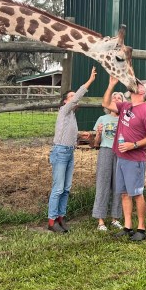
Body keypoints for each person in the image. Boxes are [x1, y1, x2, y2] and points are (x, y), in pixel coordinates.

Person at [102, 76, 146, 241]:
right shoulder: (125, 106)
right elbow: (105, 103)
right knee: (125, 193)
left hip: (135, 159)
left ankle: (141, 228)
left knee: (137, 194)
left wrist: (133, 145)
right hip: (121, 157)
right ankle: (127, 227)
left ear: (143, 91)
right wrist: (111, 84)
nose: (135, 84)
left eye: (138, 84)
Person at [47, 66, 97, 233]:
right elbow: (76, 98)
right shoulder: (64, 111)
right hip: (60, 152)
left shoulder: (71, 117)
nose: (74, 99)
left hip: (69, 152)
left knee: (66, 188)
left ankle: (61, 217)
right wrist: (90, 81)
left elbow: (72, 134)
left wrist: (83, 136)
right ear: (65, 102)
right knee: (58, 188)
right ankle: (51, 220)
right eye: (70, 97)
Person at [91, 91, 125, 231]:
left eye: (119, 98)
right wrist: (98, 134)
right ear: (109, 102)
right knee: (103, 184)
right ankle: (100, 220)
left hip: (121, 153)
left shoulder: (125, 120)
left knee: (119, 185)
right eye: (114, 97)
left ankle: (115, 218)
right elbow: (96, 143)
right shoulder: (102, 118)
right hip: (105, 151)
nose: (116, 99)